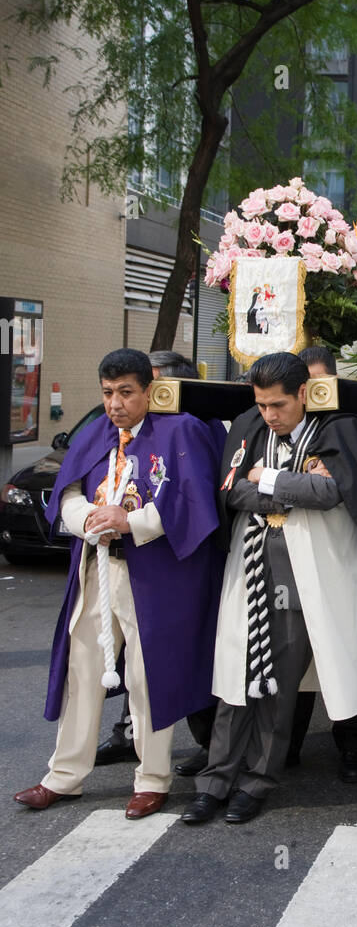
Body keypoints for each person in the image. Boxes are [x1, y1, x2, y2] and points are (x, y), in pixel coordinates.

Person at [181, 352, 357, 824]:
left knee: (277, 688)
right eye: (261, 405)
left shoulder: (337, 429)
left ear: (304, 393)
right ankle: (215, 782)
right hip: (252, 568)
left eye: (278, 405)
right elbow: (232, 490)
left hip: (304, 578)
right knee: (234, 679)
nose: (269, 415)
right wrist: (292, 484)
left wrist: (269, 477)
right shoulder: (250, 427)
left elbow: (333, 493)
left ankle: (256, 782)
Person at [14, 349, 223, 819]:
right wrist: (87, 517)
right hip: (97, 565)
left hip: (156, 572)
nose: (115, 404)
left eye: (126, 392)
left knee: (148, 676)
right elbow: (67, 492)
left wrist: (130, 522)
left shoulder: (181, 429)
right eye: (108, 393)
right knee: (81, 669)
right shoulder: (96, 435)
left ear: (150, 387)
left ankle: (153, 779)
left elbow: (194, 503)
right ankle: (63, 777)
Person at [280, 344, 357, 782]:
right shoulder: (282, 424)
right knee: (297, 649)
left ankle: (352, 747)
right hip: (296, 546)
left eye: (316, 384)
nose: (308, 395)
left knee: (351, 643)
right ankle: (288, 743)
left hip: (352, 551)